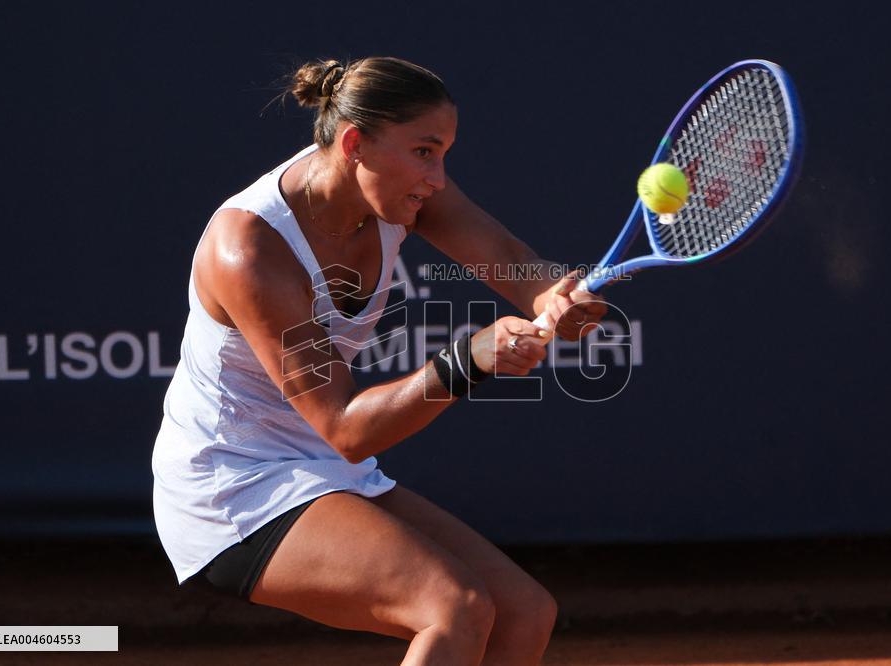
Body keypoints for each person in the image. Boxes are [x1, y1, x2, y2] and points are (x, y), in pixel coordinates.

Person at [152, 56, 607, 666]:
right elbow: (346, 428)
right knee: (454, 606)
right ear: (355, 143)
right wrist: (468, 358)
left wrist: (553, 296)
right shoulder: (249, 249)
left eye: (443, 152)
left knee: (524, 614)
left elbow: (506, 257)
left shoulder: (401, 194)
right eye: (424, 151)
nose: (438, 178)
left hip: (316, 466)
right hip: (232, 484)